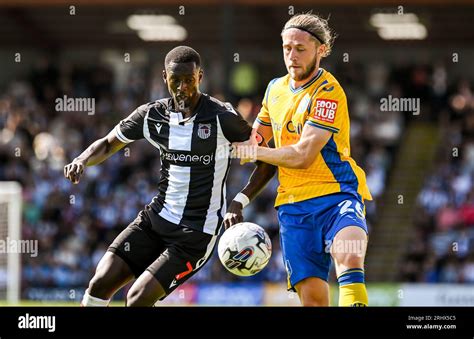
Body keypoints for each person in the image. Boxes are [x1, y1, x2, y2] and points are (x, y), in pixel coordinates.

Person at [64, 46, 274, 306]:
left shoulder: (222, 118)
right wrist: (82, 159)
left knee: (137, 298)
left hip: (196, 234)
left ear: (200, 77)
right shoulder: (152, 115)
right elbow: (108, 144)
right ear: (165, 77)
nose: (183, 87)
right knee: (101, 281)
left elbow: (267, 161)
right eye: (176, 80)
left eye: (189, 80)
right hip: (156, 220)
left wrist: (239, 201)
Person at [225, 13, 373, 306]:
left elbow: (303, 155)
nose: (292, 56)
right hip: (293, 208)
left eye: (300, 49)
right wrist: (239, 197)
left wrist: (252, 151)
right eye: (286, 48)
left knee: (350, 256)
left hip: (336, 195)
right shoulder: (274, 90)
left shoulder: (328, 92)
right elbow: (259, 146)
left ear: (321, 50)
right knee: (314, 300)